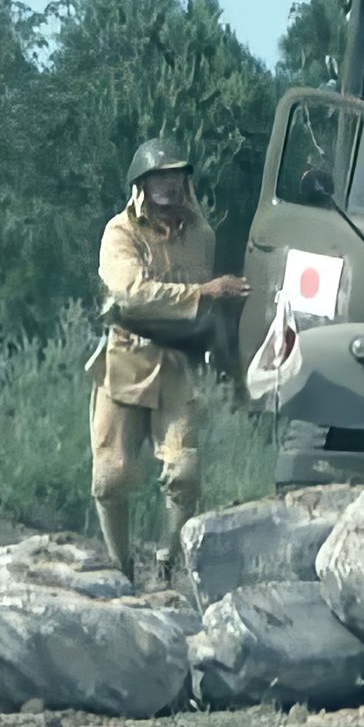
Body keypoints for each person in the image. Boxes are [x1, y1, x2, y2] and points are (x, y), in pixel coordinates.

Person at [86, 137, 250, 586]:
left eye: (176, 177)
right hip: (127, 356)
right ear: (141, 185)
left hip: (179, 361)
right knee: (111, 476)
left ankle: (167, 559)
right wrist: (202, 292)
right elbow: (130, 293)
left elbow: (209, 305)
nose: (169, 186)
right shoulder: (120, 233)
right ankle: (120, 566)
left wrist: (227, 355)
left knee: (184, 471)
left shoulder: (202, 236)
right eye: (159, 177)